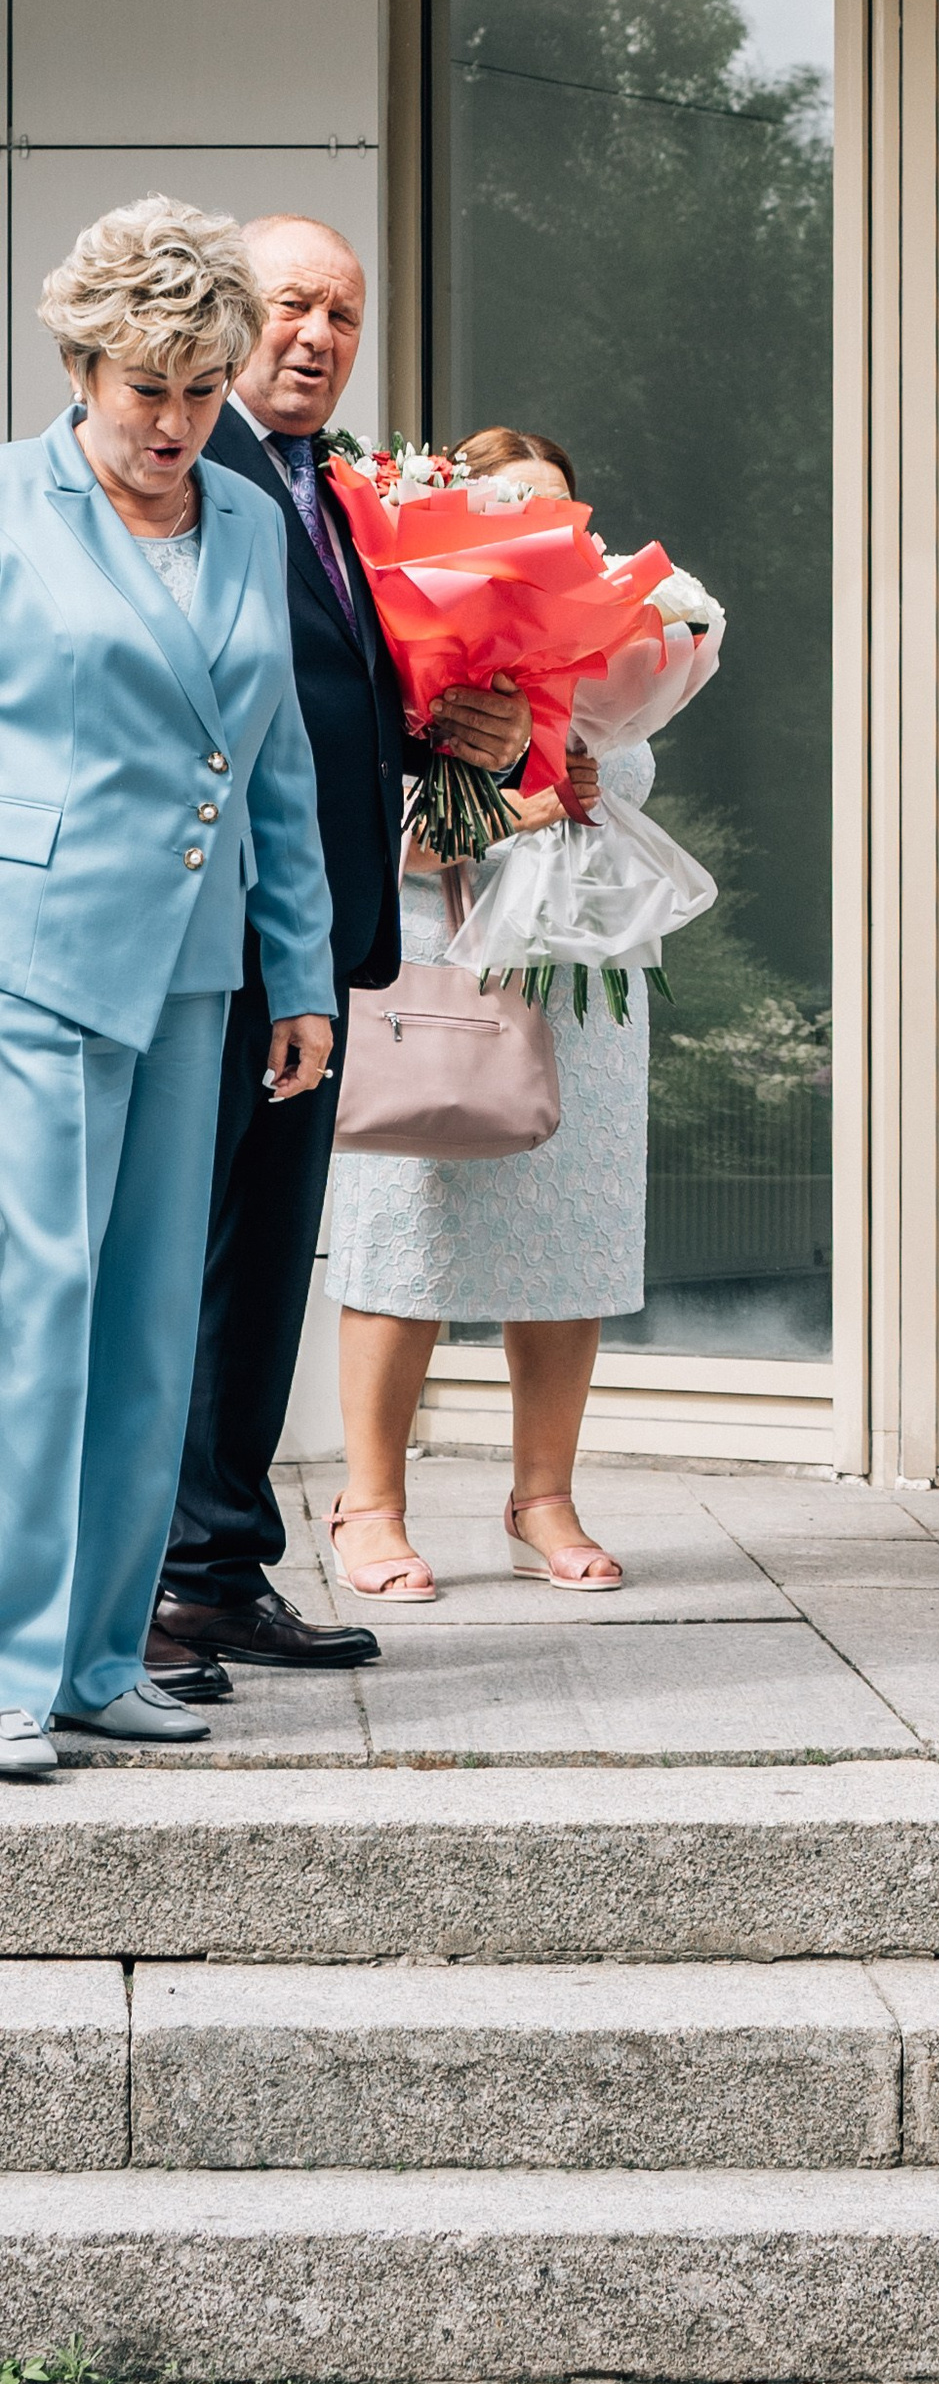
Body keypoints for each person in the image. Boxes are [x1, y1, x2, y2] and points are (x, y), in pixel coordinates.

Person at [150, 221, 528, 1695]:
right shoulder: (188, 471)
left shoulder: (347, 488)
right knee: (181, 1262)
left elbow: (347, 692)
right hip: (210, 936)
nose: (317, 336)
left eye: (345, 316)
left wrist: (469, 728)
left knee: (259, 1269)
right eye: (293, 306)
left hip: (317, 946)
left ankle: (218, 1570)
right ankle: (149, 1584)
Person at [0, 200, 337, 1783]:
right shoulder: (12, 508)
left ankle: (97, 1660)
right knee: (37, 1320)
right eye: (148, 388)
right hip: (37, 955)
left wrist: (302, 970)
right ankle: (9, 1660)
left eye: (203, 391)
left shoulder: (251, 521)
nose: (175, 424)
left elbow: (276, 764)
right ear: (82, 367)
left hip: (198, 975)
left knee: (148, 1333)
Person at [327, 430, 636, 1603]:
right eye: (507, 505)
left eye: (553, 508)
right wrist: (523, 804)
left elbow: (624, 786)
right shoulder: (402, 640)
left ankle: (541, 1500)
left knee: (569, 1243)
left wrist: (568, 771)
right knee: (406, 1232)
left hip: (571, 978)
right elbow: (380, 829)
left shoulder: (612, 641)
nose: (533, 526)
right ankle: (369, 1505)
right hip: (435, 975)